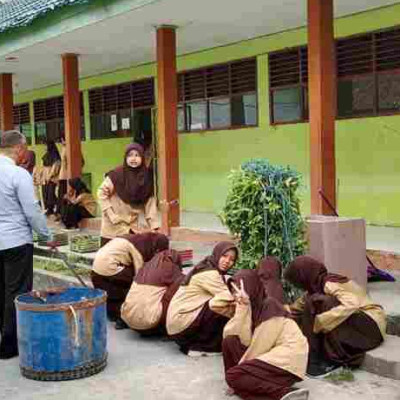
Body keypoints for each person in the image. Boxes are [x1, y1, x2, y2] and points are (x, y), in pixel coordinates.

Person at [284, 256, 386, 377]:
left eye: (296, 281)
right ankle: (319, 359)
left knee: (320, 302)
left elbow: (352, 304)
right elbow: (294, 310)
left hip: (371, 327)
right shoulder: (315, 287)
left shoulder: (330, 283)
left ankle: (330, 359)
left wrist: (321, 321)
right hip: (358, 325)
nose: (298, 286)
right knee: (312, 302)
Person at [0, 130, 54, 359]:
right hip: (15, 242)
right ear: (19, 149)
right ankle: (9, 345)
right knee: (16, 292)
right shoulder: (18, 174)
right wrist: (45, 235)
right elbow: (31, 210)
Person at [222, 270, 309, 400]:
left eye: (240, 288)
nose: (237, 294)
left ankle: (284, 392)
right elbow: (233, 334)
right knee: (229, 340)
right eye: (234, 290)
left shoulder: (269, 306)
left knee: (233, 376)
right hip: (271, 356)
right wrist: (243, 307)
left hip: (287, 362)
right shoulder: (250, 306)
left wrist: (240, 370)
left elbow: (260, 347)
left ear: (251, 286)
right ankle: (243, 385)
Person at [166, 241, 238, 356]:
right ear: (217, 254)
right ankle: (202, 347)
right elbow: (227, 298)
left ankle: (196, 344)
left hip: (177, 325)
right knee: (221, 306)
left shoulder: (207, 265)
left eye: (232, 259)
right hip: (182, 327)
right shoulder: (210, 273)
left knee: (219, 304)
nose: (227, 261)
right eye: (224, 256)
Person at [91, 232, 169, 329]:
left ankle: (113, 314)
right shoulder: (136, 247)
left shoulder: (130, 239)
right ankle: (124, 317)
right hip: (111, 269)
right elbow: (139, 273)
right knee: (132, 285)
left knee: (115, 291)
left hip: (95, 270)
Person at [97, 143, 159, 246]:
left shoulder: (146, 178)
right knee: (110, 257)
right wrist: (111, 214)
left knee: (128, 256)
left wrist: (154, 226)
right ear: (125, 157)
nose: (133, 158)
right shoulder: (117, 174)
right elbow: (101, 192)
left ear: (142, 158)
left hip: (131, 226)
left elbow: (150, 204)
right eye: (130, 155)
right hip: (112, 225)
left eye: (137, 155)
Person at [121, 249, 184, 335]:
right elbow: (184, 280)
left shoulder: (144, 267)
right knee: (180, 284)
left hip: (128, 319)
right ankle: (167, 327)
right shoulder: (170, 268)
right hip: (150, 323)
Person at [41, 140, 61, 216]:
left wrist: (50, 175)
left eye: (46, 145)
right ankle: (49, 209)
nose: (44, 147)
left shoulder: (55, 156)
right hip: (45, 177)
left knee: (51, 193)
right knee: (45, 193)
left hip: (52, 178)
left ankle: (54, 208)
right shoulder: (45, 156)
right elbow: (43, 167)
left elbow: (56, 166)